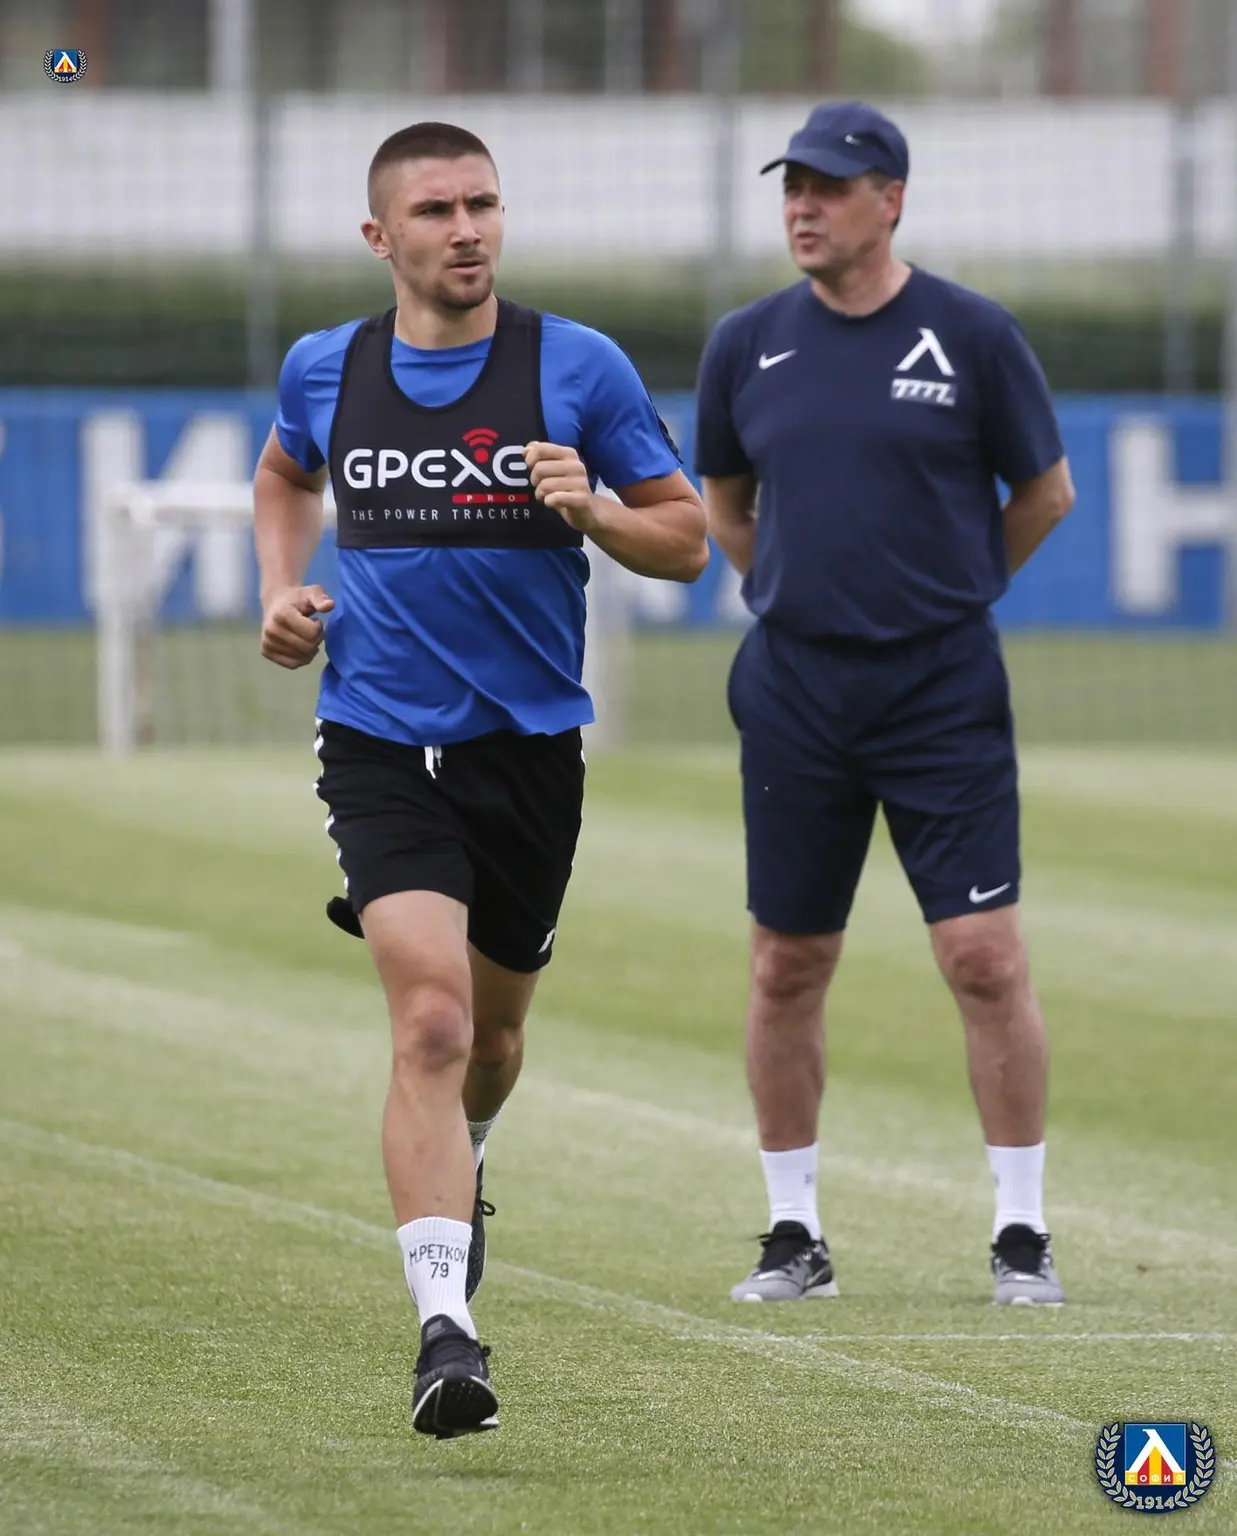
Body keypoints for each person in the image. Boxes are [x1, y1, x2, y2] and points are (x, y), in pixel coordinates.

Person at [254, 121, 707, 1437]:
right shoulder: (327, 366)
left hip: (529, 753)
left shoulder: (577, 366)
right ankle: (445, 1332)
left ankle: (472, 1156)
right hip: (379, 743)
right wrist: (281, 587)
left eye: (483, 204)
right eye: (437, 209)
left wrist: (598, 512)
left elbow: (686, 541)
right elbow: (283, 471)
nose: (466, 229)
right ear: (378, 236)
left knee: (494, 1043)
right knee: (434, 1026)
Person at [695, 102, 1075, 1308]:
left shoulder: (972, 334)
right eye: (791, 187)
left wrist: (951, 592)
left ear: (891, 200)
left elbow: (1045, 492)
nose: (802, 206)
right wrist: (790, 589)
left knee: (982, 956)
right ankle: (792, 1235)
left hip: (939, 688)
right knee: (785, 964)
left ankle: (1021, 1233)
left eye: (828, 186)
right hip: (795, 690)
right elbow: (723, 503)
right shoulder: (745, 342)